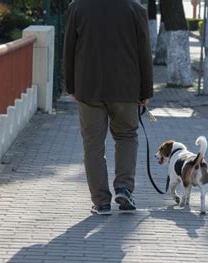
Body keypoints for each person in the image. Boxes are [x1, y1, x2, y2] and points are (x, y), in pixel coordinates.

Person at [64, 0, 153, 215]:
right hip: (125, 88)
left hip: (89, 88)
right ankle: (124, 188)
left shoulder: (78, 7)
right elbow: (144, 52)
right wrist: (146, 91)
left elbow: (69, 49)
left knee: (93, 144)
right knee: (127, 137)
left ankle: (101, 201)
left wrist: (71, 85)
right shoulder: (135, 8)